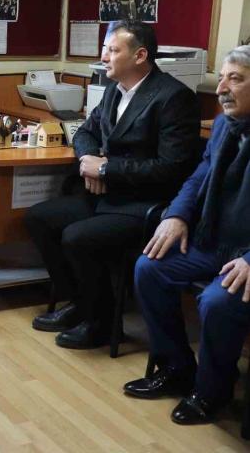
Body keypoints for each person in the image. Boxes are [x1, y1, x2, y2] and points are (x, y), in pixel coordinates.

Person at [24, 20, 200, 349]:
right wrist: (90, 163)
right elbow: (85, 133)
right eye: (104, 49)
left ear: (140, 56)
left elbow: (171, 169)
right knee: (39, 218)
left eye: (113, 50)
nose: (104, 57)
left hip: (143, 205)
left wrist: (107, 170)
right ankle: (80, 303)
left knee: (77, 237)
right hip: (106, 195)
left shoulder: (174, 97)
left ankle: (103, 323)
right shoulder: (112, 90)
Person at [123, 45, 250, 425]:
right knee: (150, 268)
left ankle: (213, 390)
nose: (221, 88)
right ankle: (178, 368)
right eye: (222, 77)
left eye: (235, 79)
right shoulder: (225, 125)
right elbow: (198, 178)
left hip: (246, 253)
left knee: (216, 302)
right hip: (215, 240)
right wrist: (177, 215)